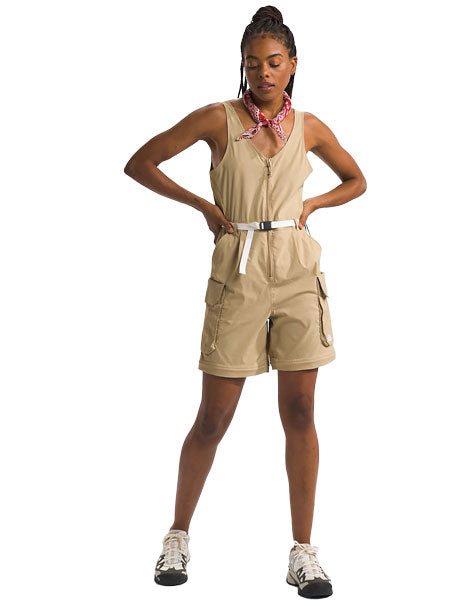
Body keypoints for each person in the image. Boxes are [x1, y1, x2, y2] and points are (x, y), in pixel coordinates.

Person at [124, 6, 366, 600]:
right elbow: (140, 163)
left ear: (292, 66)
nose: (263, 72)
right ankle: (177, 535)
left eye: (274, 62)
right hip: (238, 273)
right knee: (213, 417)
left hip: (298, 272)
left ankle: (303, 553)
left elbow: (356, 179)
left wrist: (313, 205)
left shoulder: (308, 126)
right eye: (253, 63)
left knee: (301, 412)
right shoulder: (218, 118)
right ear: (242, 66)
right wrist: (204, 207)